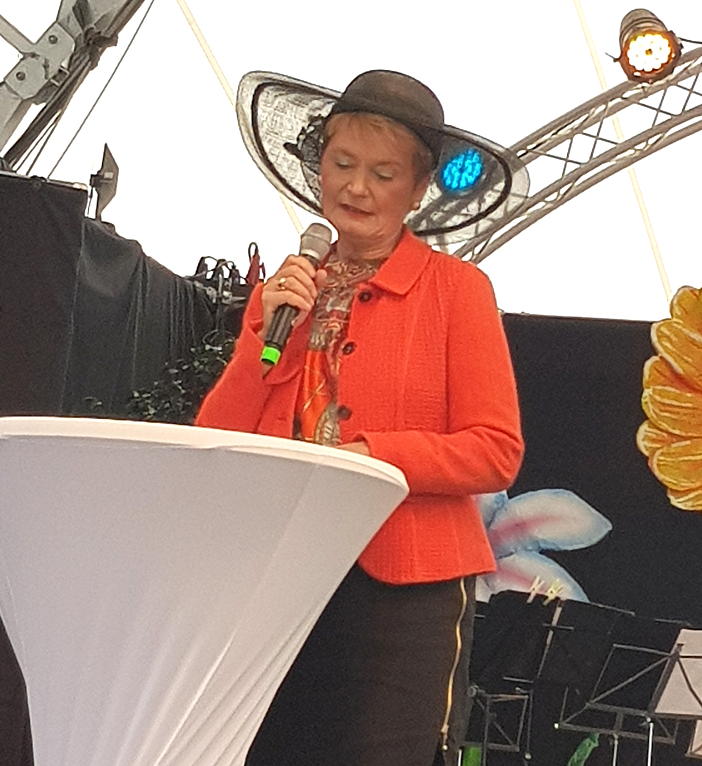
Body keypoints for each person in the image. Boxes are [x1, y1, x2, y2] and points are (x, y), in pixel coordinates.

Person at [195, 69, 526, 766]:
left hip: (405, 587)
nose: (356, 187)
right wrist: (265, 337)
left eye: (383, 174)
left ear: (418, 189)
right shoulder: (283, 291)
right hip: (280, 571)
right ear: (318, 167)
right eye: (342, 164)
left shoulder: (457, 290)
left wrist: (372, 457)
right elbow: (214, 440)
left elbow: (495, 450)